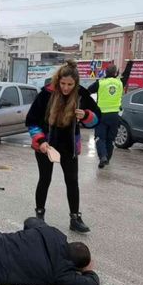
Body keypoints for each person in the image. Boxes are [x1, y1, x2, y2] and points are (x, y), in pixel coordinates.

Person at [25, 60, 101, 233]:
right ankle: (39, 216)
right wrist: (40, 141)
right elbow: (31, 120)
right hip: (47, 145)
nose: (66, 88)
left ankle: (75, 218)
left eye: (70, 84)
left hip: (69, 146)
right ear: (58, 80)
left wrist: (86, 115)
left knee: (72, 182)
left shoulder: (81, 94)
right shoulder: (46, 94)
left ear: (76, 83)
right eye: (63, 84)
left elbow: (98, 117)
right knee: (45, 179)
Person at [87, 61, 134, 169]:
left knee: (100, 137)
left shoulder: (100, 83)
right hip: (114, 116)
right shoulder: (120, 82)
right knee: (110, 139)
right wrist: (130, 62)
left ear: (105, 72)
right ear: (116, 73)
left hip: (102, 115)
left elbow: (88, 91)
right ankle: (107, 158)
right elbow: (127, 74)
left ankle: (103, 156)